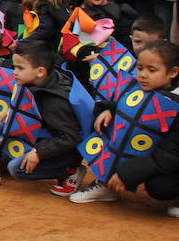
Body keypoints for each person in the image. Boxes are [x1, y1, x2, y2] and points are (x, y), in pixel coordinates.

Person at [0, 41, 83, 190]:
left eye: (20, 68)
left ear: (40, 71)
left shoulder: (53, 101)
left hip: (64, 150)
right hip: (42, 136)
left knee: (17, 168)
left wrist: (39, 152)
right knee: (8, 118)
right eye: (15, 67)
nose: (14, 72)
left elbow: (70, 137)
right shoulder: (36, 81)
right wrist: (14, 111)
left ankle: (70, 171)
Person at [71, 41, 179, 209]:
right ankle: (106, 185)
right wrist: (110, 111)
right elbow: (127, 104)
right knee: (112, 126)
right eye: (140, 68)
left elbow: (170, 155)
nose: (142, 75)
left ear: (173, 72)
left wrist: (126, 173)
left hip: (170, 158)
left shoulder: (175, 104)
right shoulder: (140, 88)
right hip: (155, 155)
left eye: (151, 70)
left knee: (160, 187)